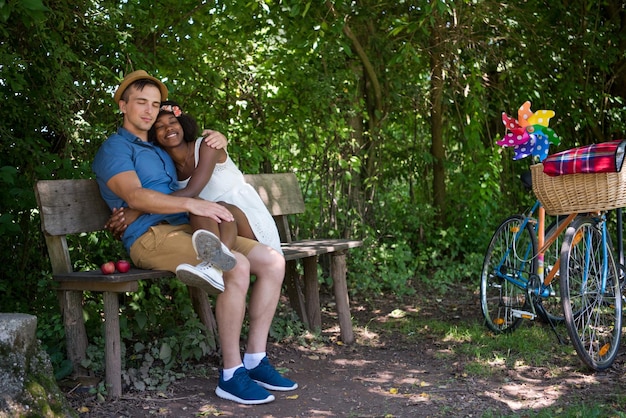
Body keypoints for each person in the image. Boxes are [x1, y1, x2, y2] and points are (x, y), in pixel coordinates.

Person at [93, 70, 297, 405]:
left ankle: (256, 359)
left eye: (155, 104)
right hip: (152, 237)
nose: (148, 110)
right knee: (236, 266)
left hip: (191, 229)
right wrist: (140, 208)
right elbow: (136, 194)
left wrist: (220, 141)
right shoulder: (115, 149)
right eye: (140, 102)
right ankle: (231, 374)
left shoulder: (158, 147)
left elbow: (186, 168)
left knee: (273, 262)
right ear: (122, 105)